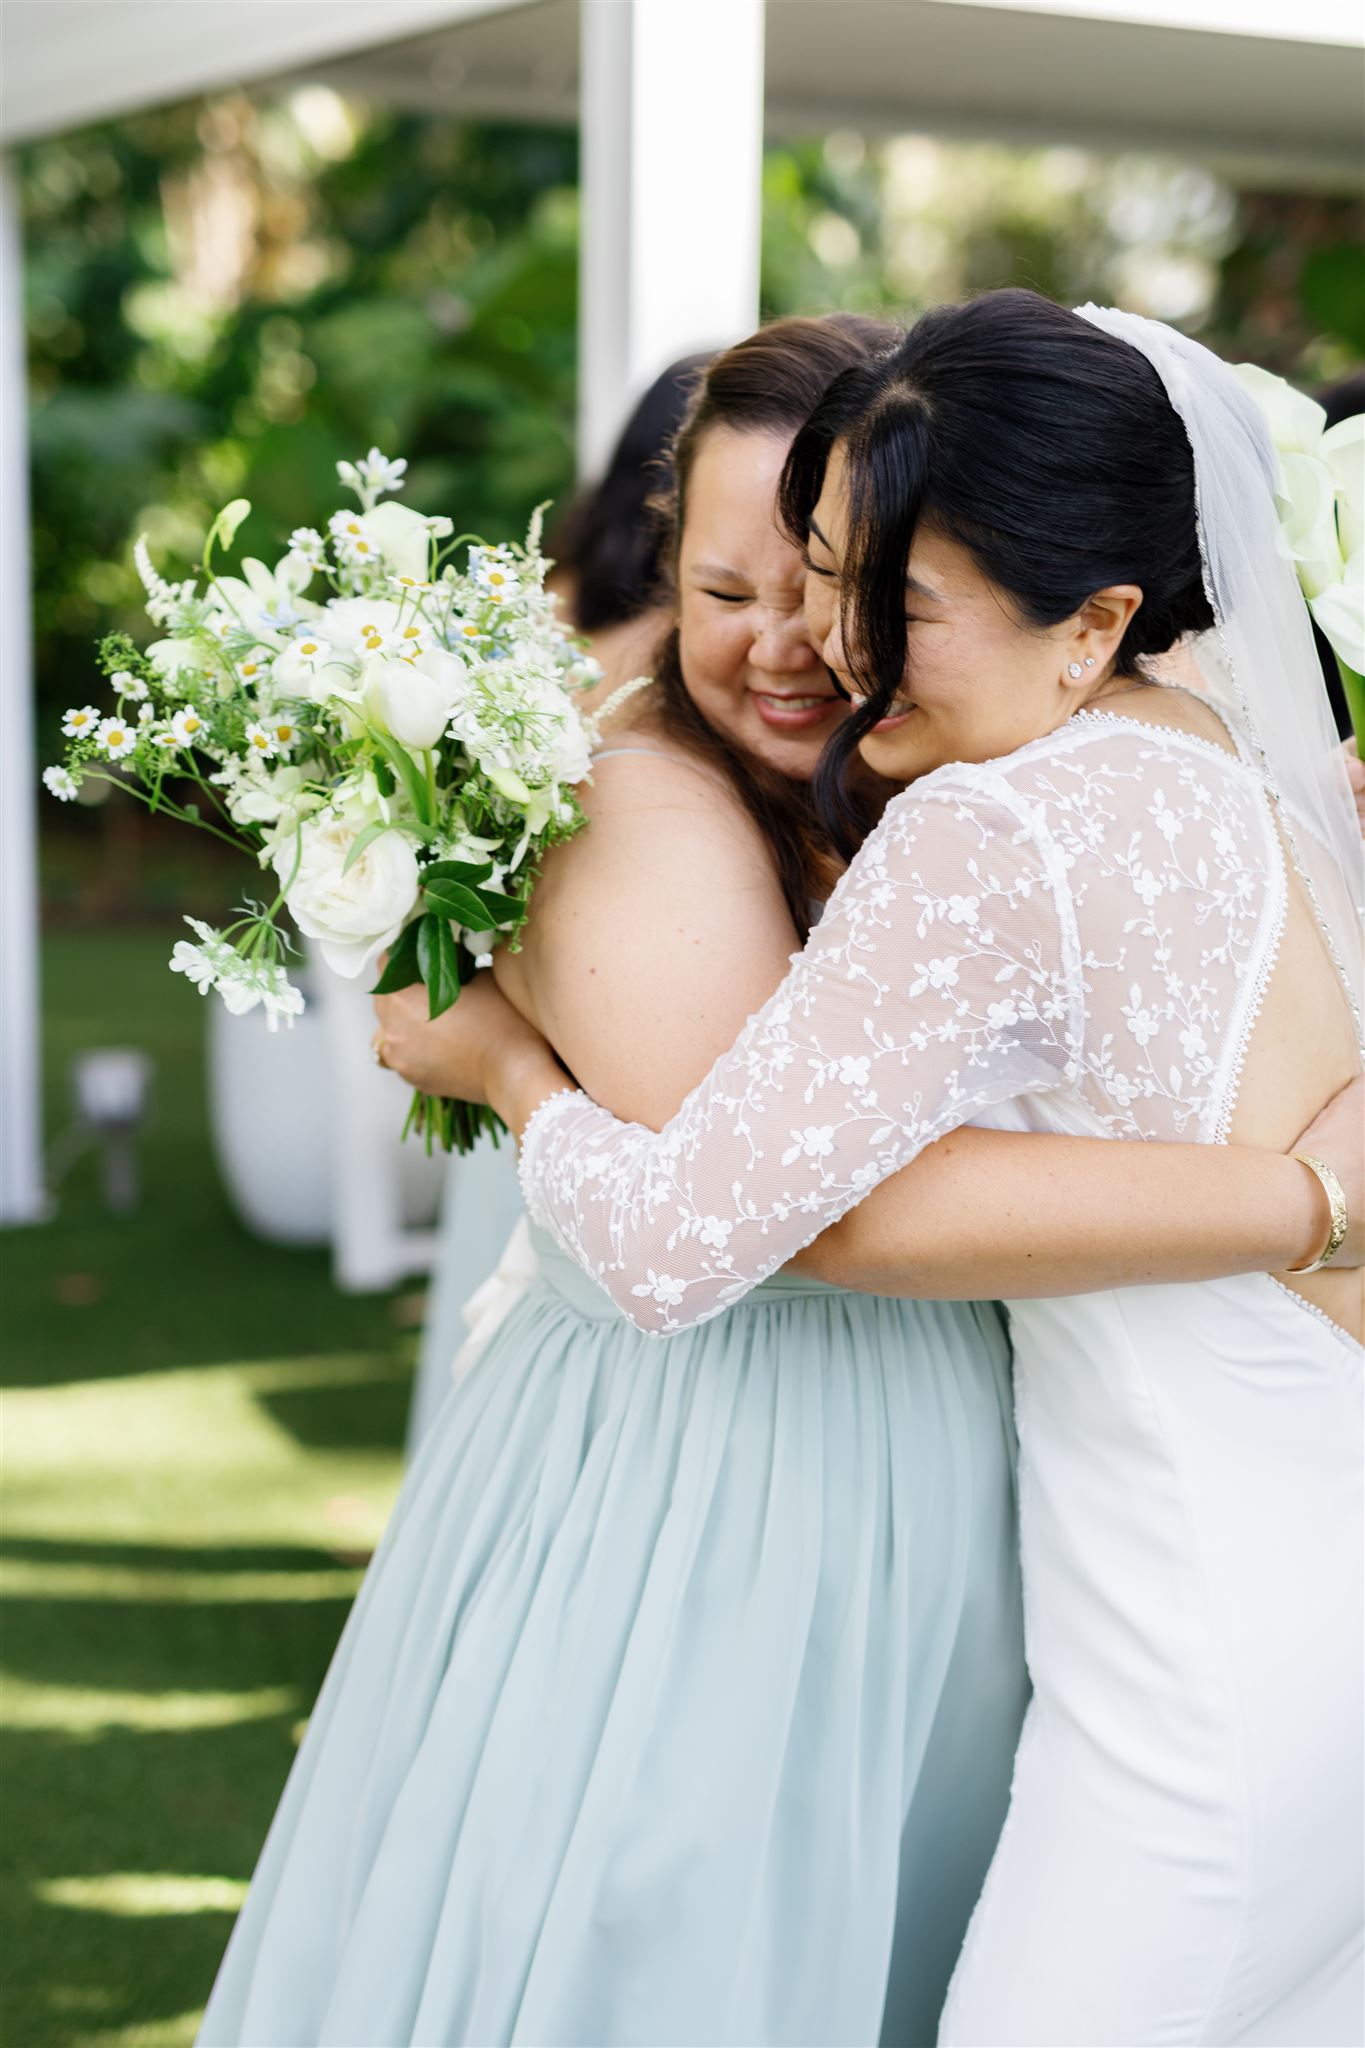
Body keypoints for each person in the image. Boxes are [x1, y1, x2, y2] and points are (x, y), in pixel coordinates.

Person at [201, 312, 1360, 2048]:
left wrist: (510, 1065)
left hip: (1193, 1649)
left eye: (881, 596)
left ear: (1095, 614)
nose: (826, 641)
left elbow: (706, 1226)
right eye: (765, 583)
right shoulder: (1223, 755)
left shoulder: (992, 826)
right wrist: (1306, 1209)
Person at [405, 352, 709, 1452]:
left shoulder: (538, 632)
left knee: (524, 1365)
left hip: (534, 1042)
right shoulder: (670, 663)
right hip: (611, 1076)